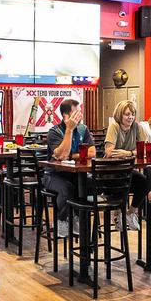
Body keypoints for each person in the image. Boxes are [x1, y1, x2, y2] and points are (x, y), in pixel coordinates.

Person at [44, 98, 96, 237]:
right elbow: (62, 156)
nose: (80, 115)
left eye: (80, 112)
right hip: (54, 175)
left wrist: (73, 156)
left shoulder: (83, 129)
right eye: (76, 113)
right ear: (66, 116)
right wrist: (69, 129)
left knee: (92, 185)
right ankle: (62, 220)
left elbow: (92, 152)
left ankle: (80, 220)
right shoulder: (54, 132)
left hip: (75, 173)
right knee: (68, 188)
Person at [104, 100, 148, 231]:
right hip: (111, 172)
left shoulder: (137, 127)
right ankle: (118, 214)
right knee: (126, 183)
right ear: (120, 115)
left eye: (132, 114)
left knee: (145, 182)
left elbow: (145, 150)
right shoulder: (114, 126)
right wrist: (133, 154)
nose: (130, 117)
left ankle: (130, 213)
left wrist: (126, 153)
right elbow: (110, 152)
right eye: (127, 114)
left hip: (127, 170)